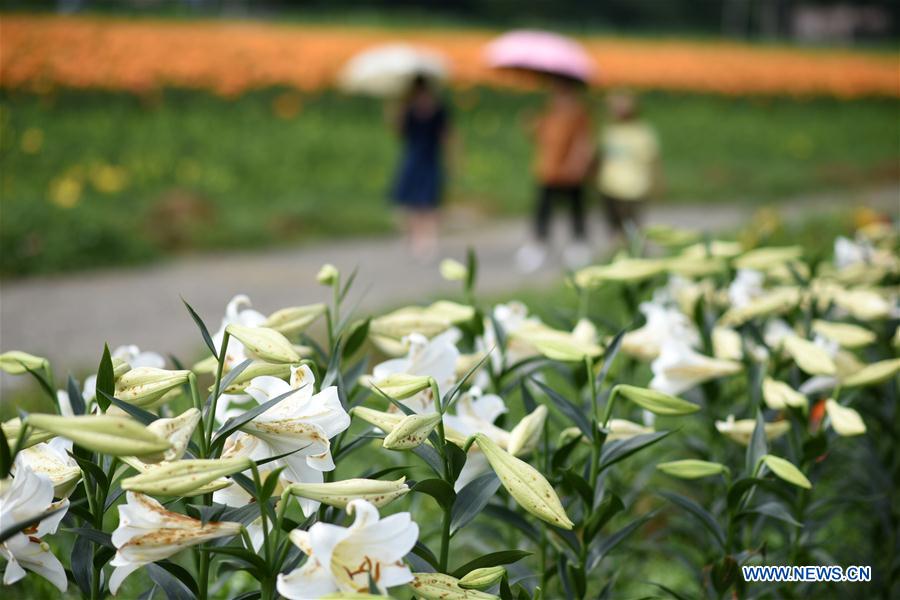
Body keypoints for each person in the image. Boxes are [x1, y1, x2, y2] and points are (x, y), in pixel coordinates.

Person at [516, 75, 595, 273]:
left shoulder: (577, 111)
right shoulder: (549, 110)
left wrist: (579, 162)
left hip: (569, 170)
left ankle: (579, 243)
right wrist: (531, 125)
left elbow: (584, 139)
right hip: (548, 169)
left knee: (575, 208)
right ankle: (539, 243)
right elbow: (542, 136)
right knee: (543, 209)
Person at [389, 74, 452, 262]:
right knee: (412, 202)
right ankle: (415, 238)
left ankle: (429, 240)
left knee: (429, 202)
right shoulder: (409, 109)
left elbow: (446, 135)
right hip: (415, 158)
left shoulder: (438, 109)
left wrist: (451, 161)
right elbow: (400, 131)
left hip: (428, 158)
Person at [596, 90, 661, 240]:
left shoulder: (642, 132)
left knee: (632, 227)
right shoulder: (609, 131)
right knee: (614, 227)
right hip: (609, 187)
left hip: (634, 188)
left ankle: (635, 253)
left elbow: (652, 160)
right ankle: (619, 252)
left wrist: (657, 183)